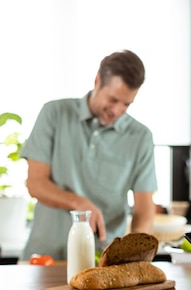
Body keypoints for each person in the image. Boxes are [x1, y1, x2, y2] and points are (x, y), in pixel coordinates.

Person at [20, 50, 157, 261]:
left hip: (102, 261)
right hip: (45, 257)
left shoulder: (141, 136)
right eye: (113, 100)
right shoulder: (54, 113)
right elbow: (35, 184)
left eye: (126, 104)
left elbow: (144, 207)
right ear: (97, 80)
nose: (117, 110)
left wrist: (134, 254)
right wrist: (79, 203)